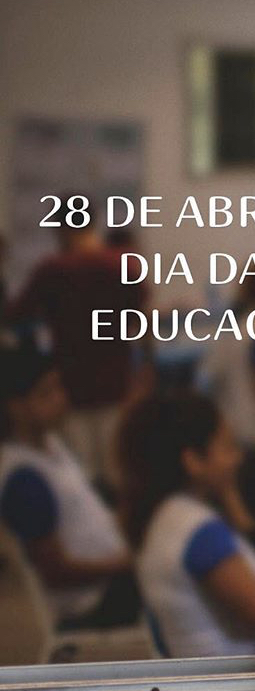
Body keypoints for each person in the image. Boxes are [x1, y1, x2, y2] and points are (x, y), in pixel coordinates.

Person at [118, 392, 255, 658]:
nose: (238, 459)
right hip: (235, 680)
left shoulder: (167, 515)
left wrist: (228, 493)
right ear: (193, 461)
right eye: (227, 448)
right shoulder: (199, 531)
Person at [6, 198, 147, 493]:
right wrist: (144, 376)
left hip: (71, 390)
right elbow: (143, 326)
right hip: (116, 385)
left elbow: (16, 315)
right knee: (120, 478)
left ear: (61, 229)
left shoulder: (52, 270)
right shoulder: (125, 265)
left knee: (79, 482)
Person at [0, 345, 137, 629]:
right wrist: (127, 563)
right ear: (16, 407)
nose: (61, 399)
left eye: (59, 388)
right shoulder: (23, 478)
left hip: (111, 578)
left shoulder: (51, 444)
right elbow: (55, 571)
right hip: (89, 604)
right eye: (46, 394)